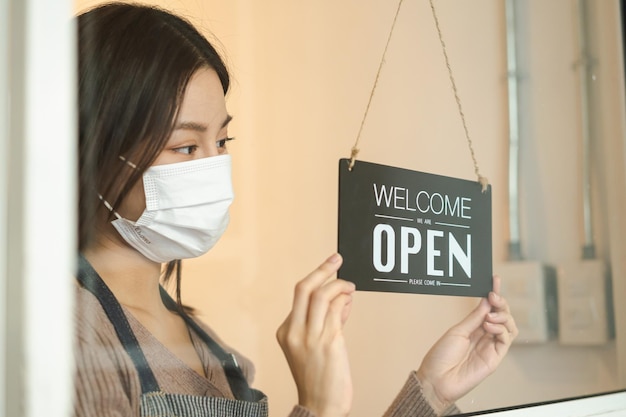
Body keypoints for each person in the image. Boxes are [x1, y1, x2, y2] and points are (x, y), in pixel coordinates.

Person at [74, 3, 518, 417]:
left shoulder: (210, 347)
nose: (213, 168)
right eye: (186, 146)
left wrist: (431, 392)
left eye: (222, 142)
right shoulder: (68, 339)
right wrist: (317, 406)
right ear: (95, 150)